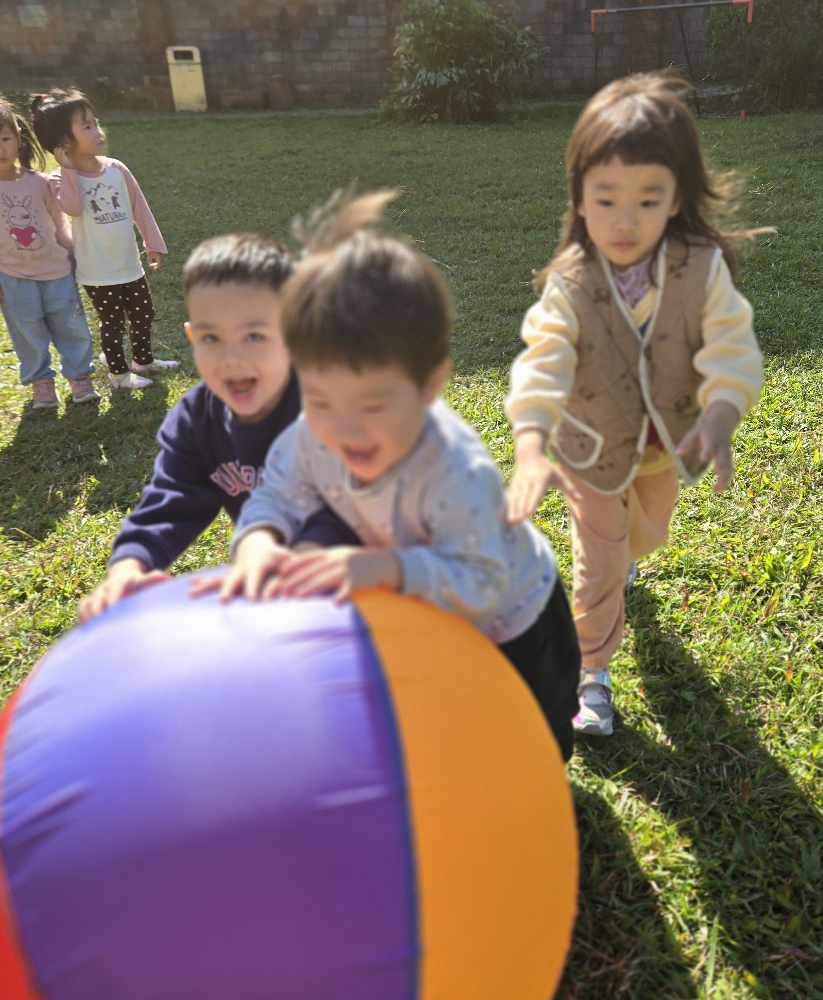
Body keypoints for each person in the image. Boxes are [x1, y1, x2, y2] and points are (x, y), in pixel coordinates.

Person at [214, 191, 579, 761]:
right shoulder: (312, 434)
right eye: (319, 399)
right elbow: (278, 493)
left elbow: (481, 582)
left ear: (430, 385)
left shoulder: (454, 469)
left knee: (533, 729)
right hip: (430, 613)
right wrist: (259, 540)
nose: (345, 429)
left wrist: (387, 567)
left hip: (515, 615)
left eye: (373, 405)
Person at [504, 71, 765, 737]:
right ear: (579, 198)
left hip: (661, 450)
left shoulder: (699, 269)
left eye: (648, 200)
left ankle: (620, 574)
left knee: (642, 537)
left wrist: (721, 412)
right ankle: (591, 674)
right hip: (587, 449)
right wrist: (530, 441)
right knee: (600, 561)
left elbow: (729, 345)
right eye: (607, 199)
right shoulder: (572, 281)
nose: (625, 220)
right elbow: (543, 359)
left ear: (676, 199)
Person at [78, 232, 355, 623]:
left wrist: (280, 547)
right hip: (281, 599)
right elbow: (172, 497)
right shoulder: (198, 419)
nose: (231, 358)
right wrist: (131, 564)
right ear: (192, 337)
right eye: (211, 338)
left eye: (254, 336)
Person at [0, 90, 99, 410]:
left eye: (5, 138)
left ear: (19, 136)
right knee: (28, 333)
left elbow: (59, 224)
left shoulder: (40, 181)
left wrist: (72, 255)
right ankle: (41, 382)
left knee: (72, 326)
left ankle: (80, 377)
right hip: (13, 278)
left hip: (58, 272)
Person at [30, 88, 174, 392]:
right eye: (87, 126)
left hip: (128, 263)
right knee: (112, 323)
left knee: (143, 313)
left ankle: (143, 361)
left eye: (96, 123)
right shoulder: (59, 179)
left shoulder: (117, 169)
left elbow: (139, 207)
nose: (98, 131)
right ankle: (118, 374)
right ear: (64, 142)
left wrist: (154, 243)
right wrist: (68, 170)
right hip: (97, 271)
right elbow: (72, 207)